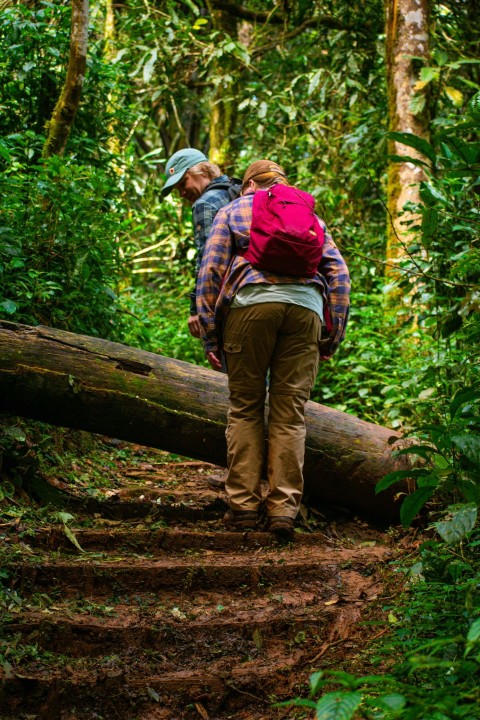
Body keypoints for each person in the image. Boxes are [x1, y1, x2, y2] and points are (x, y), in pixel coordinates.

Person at [196, 160, 350, 536]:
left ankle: (243, 507)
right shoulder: (310, 217)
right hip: (306, 311)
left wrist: (209, 335)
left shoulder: (233, 209)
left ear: (247, 184)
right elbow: (339, 274)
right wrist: (332, 334)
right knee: (290, 414)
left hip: (250, 306)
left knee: (246, 408)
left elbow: (210, 270)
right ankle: (283, 510)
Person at [161, 148, 241, 338]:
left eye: (183, 183)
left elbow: (206, 258)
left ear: (202, 171)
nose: (181, 193)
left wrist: (196, 310)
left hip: (234, 299)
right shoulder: (239, 190)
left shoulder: (205, 203)